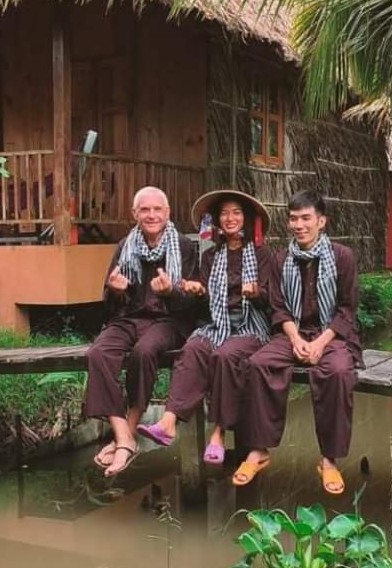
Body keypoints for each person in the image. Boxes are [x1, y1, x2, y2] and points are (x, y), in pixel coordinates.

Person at [233, 189, 360, 495]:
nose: (299, 225)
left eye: (306, 218)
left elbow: (347, 309)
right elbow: (278, 307)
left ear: (321, 221)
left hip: (332, 334)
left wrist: (320, 343)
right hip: (291, 332)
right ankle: (259, 450)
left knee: (339, 372)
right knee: (258, 364)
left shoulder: (342, 257)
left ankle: (328, 459)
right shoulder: (281, 259)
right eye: (293, 218)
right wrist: (293, 338)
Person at [136, 189, 275, 463]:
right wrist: (197, 291)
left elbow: (274, 301)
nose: (230, 218)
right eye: (224, 213)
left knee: (226, 355)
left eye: (236, 213)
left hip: (250, 325)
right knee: (194, 348)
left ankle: (218, 432)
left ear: (246, 219)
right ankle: (167, 422)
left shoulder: (263, 255)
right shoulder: (211, 257)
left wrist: (256, 293)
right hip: (217, 323)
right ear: (217, 221)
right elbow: (204, 306)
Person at [84, 186, 199, 476]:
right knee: (98, 353)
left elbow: (192, 305)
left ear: (168, 213)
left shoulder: (183, 246)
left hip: (168, 321)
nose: (151, 215)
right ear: (134, 214)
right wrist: (117, 292)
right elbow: (109, 305)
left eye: (157, 209)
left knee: (144, 351)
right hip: (128, 319)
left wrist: (171, 291)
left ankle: (125, 437)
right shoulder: (125, 246)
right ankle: (123, 437)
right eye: (144, 210)